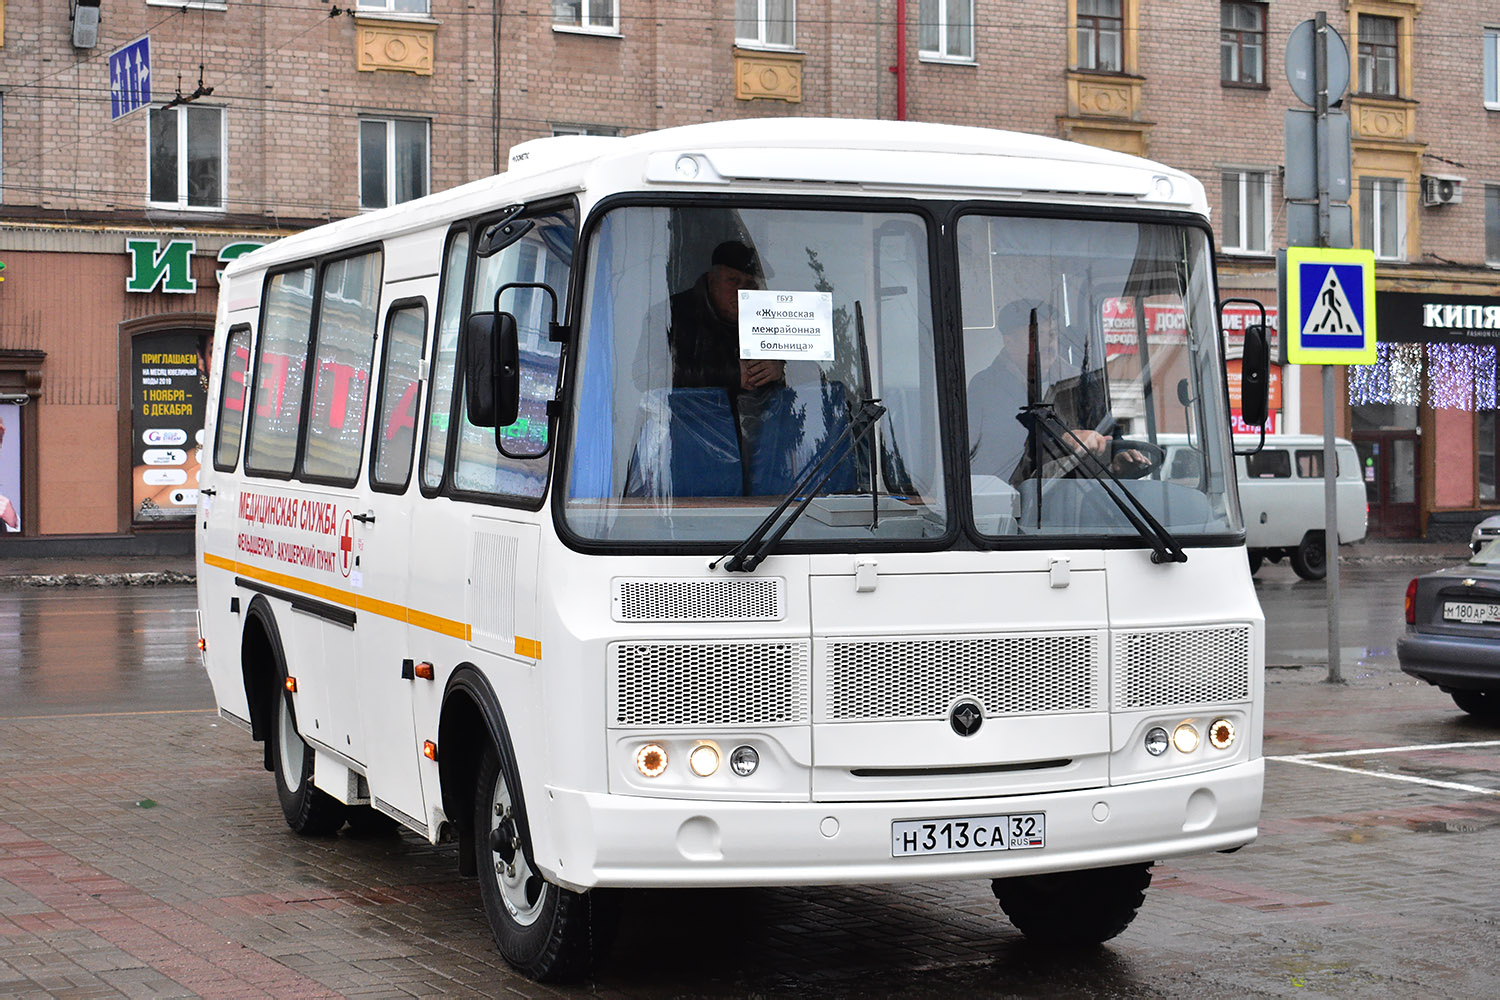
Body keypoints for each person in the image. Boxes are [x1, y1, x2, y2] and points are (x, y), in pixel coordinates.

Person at [967, 299, 1147, 483]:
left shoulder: (1077, 381)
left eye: (1052, 335)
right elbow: (1006, 443)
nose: (1048, 344)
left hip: (1079, 495)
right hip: (1019, 499)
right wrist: (1065, 440)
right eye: (1036, 336)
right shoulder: (985, 387)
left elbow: (1105, 425)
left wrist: (1119, 453)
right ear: (1009, 342)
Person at [666, 240, 784, 395]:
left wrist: (780, 369)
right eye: (733, 281)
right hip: (686, 415)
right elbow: (648, 374)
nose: (741, 291)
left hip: (758, 415)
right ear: (712, 280)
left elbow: (816, 368)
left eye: (749, 284)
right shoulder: (671, 312)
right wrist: (730, 374)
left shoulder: (769, 316)